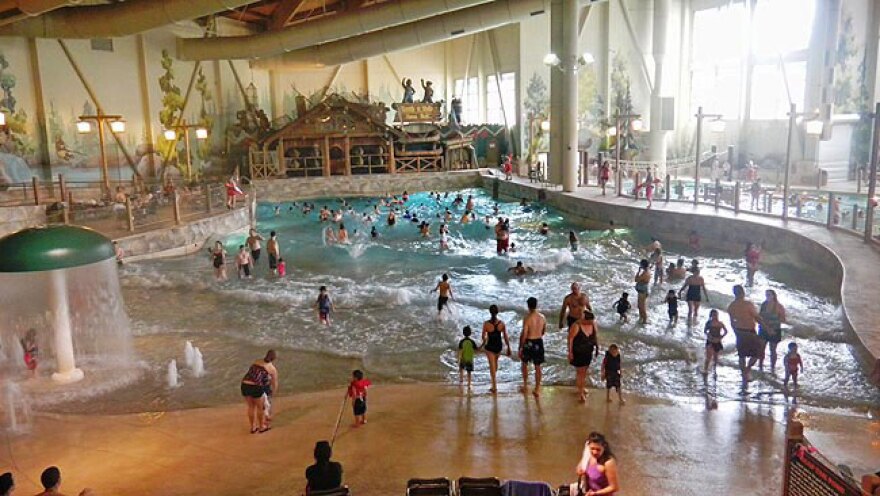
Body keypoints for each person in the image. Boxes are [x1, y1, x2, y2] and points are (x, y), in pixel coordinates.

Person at [728, 285, 765, 384]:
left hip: (739, 331)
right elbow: (756, 317)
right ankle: (747, 370)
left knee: (742, 355)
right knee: (758, 352)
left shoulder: (731, 306)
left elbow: (731, 322)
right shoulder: (748, 304)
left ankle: (744, 373)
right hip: (749, 331)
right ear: (743, 292)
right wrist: (767, 327)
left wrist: (735, 331)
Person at [240, 350, 278, 433]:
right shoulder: (272, 369)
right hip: (256, 386)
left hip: (244, 384)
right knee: (260, 408)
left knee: (251, 407)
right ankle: (261, 427)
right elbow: (274, 383)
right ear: (274, 359)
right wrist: (273, 394)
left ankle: (253, 427)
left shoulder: (257, 361)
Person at [568, 310, 600, 403]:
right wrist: (570, 353)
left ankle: (581, 387)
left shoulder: (593, 324)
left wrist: (597, 348)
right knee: (580, 372)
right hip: (578, 352)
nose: (591, 323)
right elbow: (570, 339)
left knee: (584, 372)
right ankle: (581, 393)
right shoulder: (576, 326)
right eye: (588, 321)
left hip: (588, 351)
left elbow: (596, 336)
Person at [518, 297, 547, 396]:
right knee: (538, 366)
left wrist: (521, 346)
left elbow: (525, 334)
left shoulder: (527, 318)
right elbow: (543, 331)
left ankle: (525, 385)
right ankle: (537, 388)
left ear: (528, 306)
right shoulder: (542, 317)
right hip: (538, 341)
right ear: (536, 304)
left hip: (529, 341)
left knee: (524, 363)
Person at [481, 304, 511, 394]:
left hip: (490, 347)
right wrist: (508, 347)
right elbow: (505, 336)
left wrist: (484, 342)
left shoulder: (486, 324)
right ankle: (494, 384)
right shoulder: (501, 324)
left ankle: (494, 386)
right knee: (495, 364)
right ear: (497, 312)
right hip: (498, 347)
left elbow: (483, 337)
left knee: (492, 365)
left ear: (490, 312)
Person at [758, 289, 787, 372]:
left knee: (773, 349)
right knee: (761, 348)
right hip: (763, 329)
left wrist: (772, 324)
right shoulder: (763, 305)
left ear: (774, 296)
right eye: (766, 295)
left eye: (769, 295)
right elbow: (760, 316)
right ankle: (760, 365)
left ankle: (772, 367)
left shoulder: (779, 306)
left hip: (775, 330)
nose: (767, 296)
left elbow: (783, 319)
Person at [703, 309, 728, 375]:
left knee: (716, 358)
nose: (715, 316)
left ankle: (714, 369)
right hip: (710, 340)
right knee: (708, 357)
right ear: (711, 316)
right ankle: (705, 370)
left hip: (717, 341)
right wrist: (709, 335)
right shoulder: (709, 323)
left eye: (716, 315)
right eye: (714, 315)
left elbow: (726, 331)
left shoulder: (720, 323)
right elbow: (705, 331)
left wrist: (721, 337)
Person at [634, 259, 651, 324]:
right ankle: (641, 318)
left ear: (642, 265)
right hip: (642, 291)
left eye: (641, 264)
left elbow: (636, 279)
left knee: (642, 307)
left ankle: (644, 320)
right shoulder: (647, 271)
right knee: (639, 306)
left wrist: (638, 272)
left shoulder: (645, 273)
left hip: (642, 292)